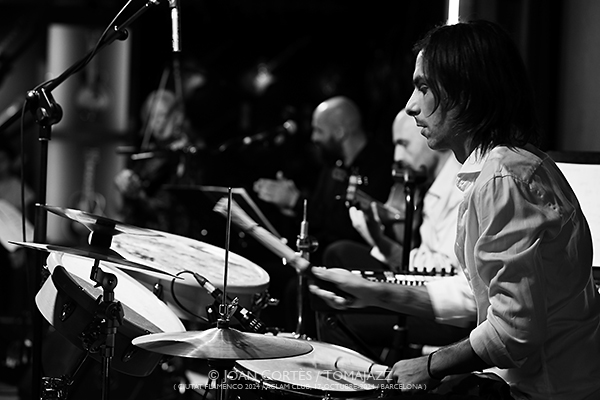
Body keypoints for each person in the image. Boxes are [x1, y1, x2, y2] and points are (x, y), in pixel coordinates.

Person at [309, 20, 600, 399]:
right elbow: (472, 293)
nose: (411, 106)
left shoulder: (503, 179)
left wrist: (431, 365)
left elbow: (515, 329)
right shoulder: (508, 167)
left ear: (466, 94)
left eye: (423, 87)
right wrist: (375, 292)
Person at [316, 109, 475, 360]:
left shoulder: (457, 188)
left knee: (338, 320)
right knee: (339, 253)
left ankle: (373, 377)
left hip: (446, 310)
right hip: (425, 284)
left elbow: (441, 272)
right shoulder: (430, 182)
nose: (397, 156)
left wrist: (379, 242)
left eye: (403, 144)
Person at [252, 96, 393, 333]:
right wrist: (291, 206)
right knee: (264, 275)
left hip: (354, 264)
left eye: (318, 130)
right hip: (320, 259)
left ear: (340, 131)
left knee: (295, 288)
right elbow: (320, 215)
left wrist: (296, 202)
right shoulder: (332, 167)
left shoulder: (379, 165)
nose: (313, 138)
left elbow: (350, 226)